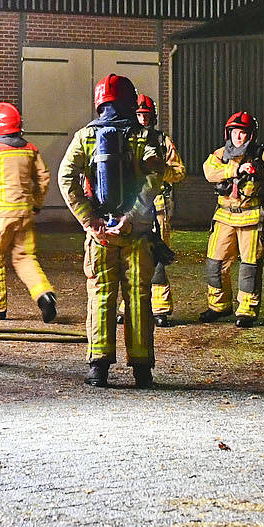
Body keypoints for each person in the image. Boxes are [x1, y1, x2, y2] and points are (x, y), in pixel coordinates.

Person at [59, 73, 171, 388]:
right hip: (136, 234)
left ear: (99, 103)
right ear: (129, 101)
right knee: (138, 297)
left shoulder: (85, 137)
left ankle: (98, 368)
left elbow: (66, 179)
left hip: (100, 234)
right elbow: (153, 179)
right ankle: (142, 369)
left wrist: (89, 221)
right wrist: (132, 217)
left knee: (101, 296)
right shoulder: (144, 136)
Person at [0, 101, 58, 322]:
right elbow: (43, 177)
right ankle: (45, 295)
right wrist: (36, 204)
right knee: (24, 257)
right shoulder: (30, 149)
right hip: (25, 213)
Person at [201, 111, 264, 325]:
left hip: (252, 219)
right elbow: (209, 172)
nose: (238, 137)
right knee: (214, 263)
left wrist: (260, 171)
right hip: (224, 217)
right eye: (235, 132)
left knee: (250, 267)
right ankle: (218, 306)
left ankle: (247, 311)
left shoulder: (263, 155)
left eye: (243, 132)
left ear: (250, 135)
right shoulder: (220, 154)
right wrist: (235, 169)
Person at [136, 94, 188, 327]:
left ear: (153, 117)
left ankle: (160, 308)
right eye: (139, 115)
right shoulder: (126, 138)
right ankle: (128, 307)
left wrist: (160, 169)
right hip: (133, 206)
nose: (142, 119)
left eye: (146, 115)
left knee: (157, 257)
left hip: (157, 209)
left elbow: (179, 172)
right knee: (130, 257)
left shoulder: (163, 141)